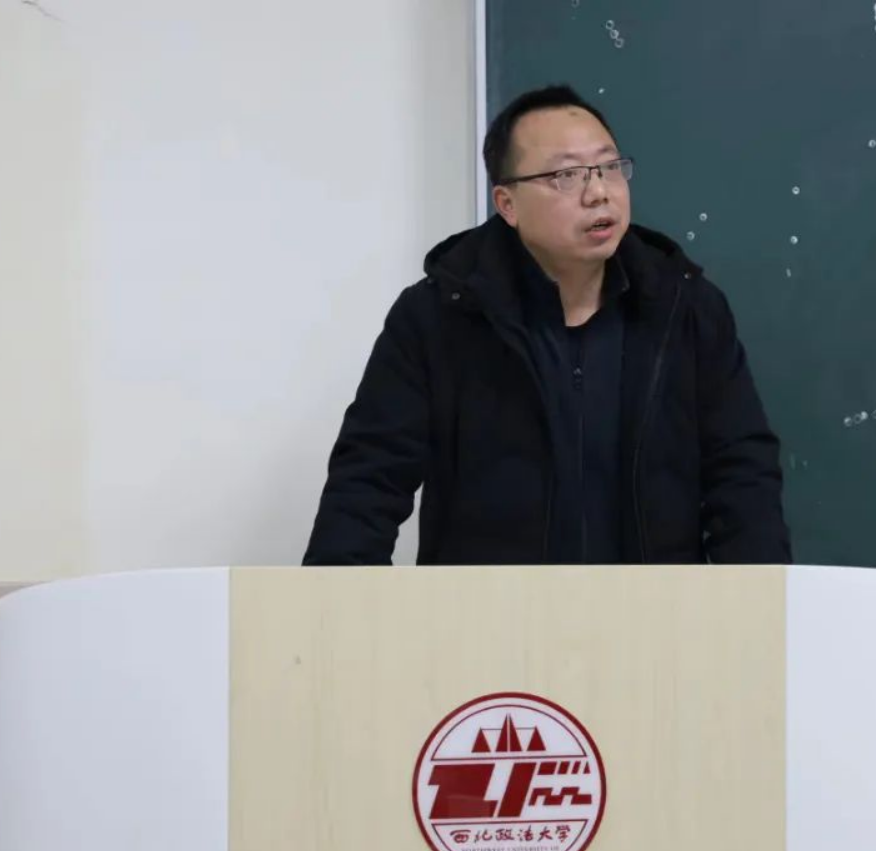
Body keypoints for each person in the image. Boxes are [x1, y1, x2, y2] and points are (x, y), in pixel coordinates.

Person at [303, 84, 790, 565]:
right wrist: (334, 606)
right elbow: (369, 478)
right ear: (507, 204)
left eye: (609, 168)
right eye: (566, 176)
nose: (598, 193)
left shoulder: (685, 307)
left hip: (656, 611)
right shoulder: (438, 316)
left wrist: (761, 605)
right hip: (491, 613)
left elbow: (742, 476)